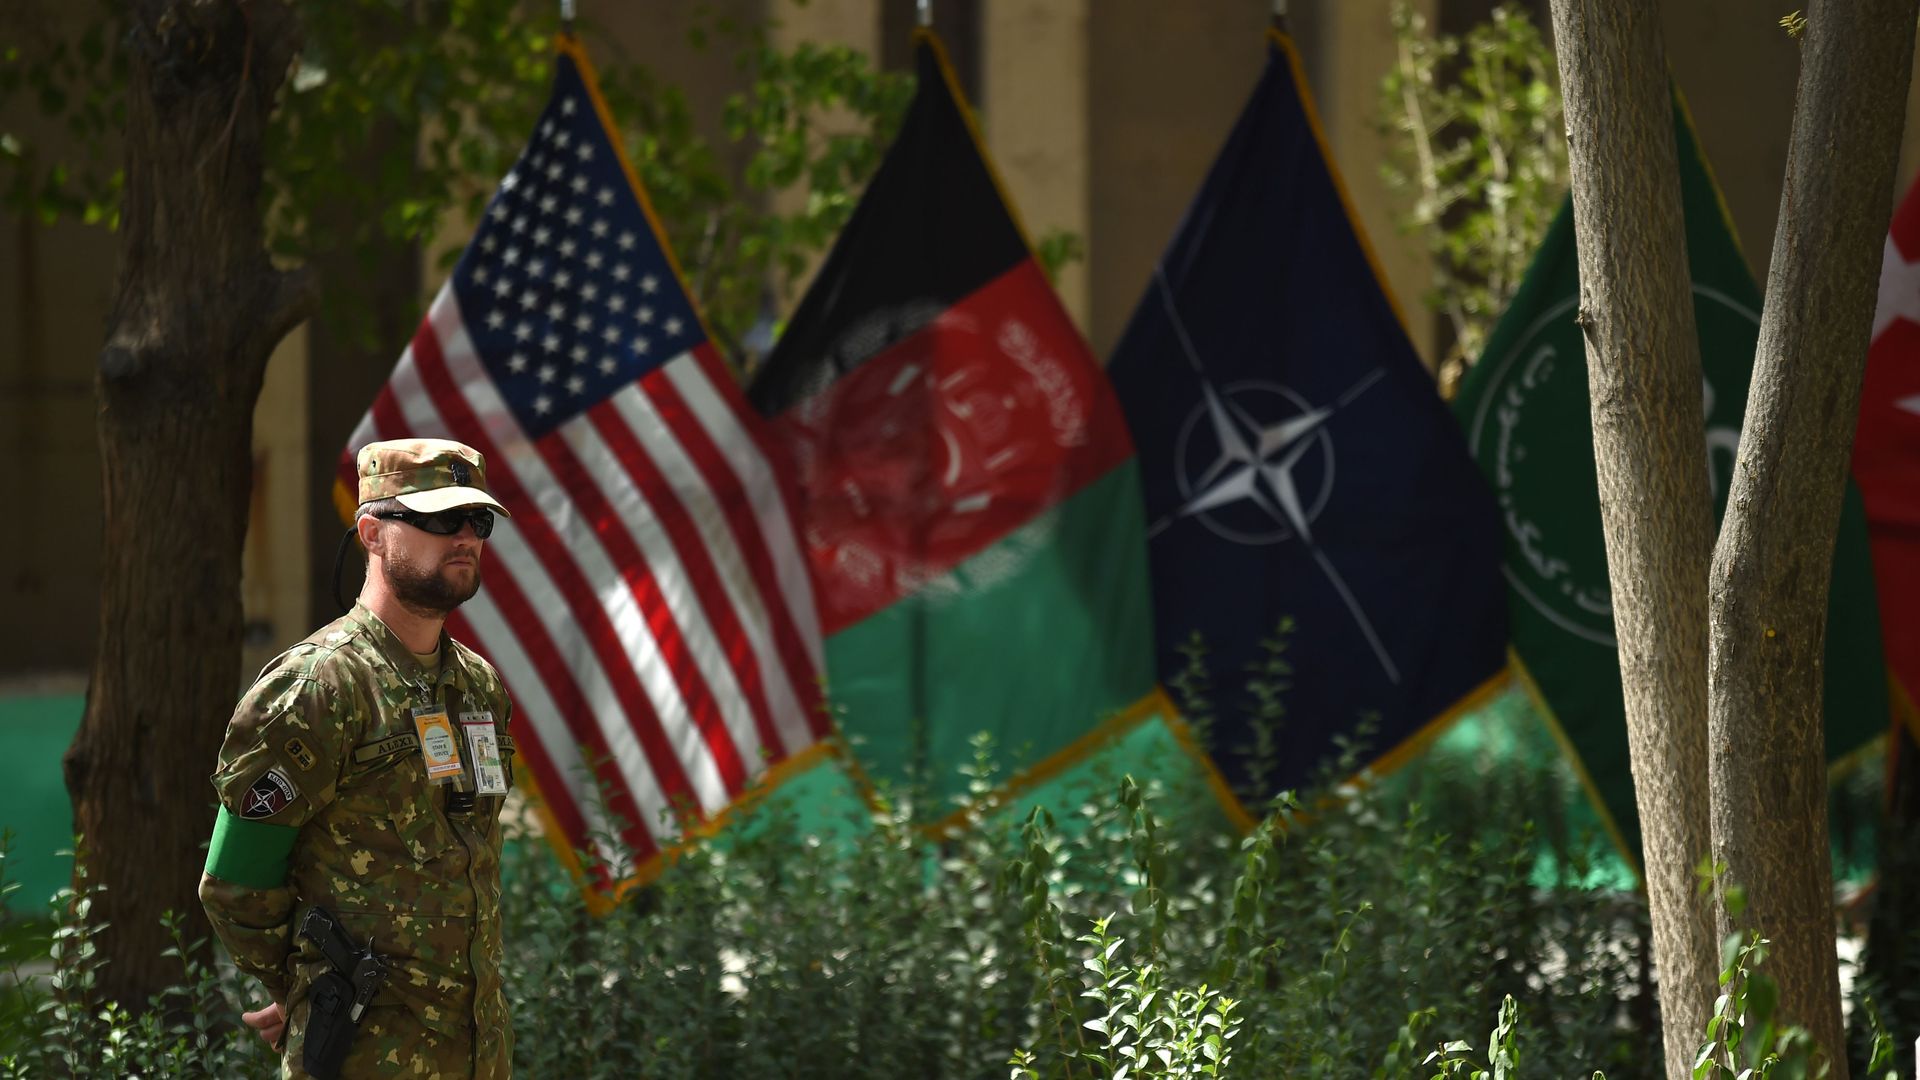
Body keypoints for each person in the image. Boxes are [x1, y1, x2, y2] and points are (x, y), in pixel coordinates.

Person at [200, 438, 519, 1078]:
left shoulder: (477, 687)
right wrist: (295, 981)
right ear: (373, 533)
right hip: (361, 1056)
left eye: (476, 520)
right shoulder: (320, 688)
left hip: (477, 1054)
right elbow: (236, 878)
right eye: (437, 519)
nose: (464, 536)